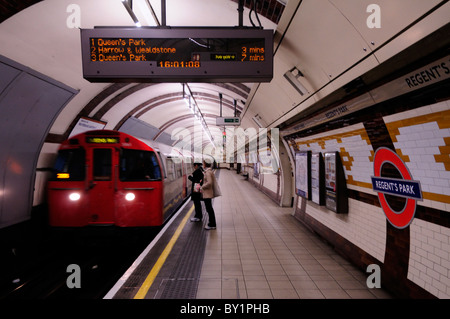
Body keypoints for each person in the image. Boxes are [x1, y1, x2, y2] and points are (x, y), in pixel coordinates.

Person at [200, 161, 218, 230]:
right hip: (208, 192)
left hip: (207, 193)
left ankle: (212, 224)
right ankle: (211, 223)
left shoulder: (207, 172)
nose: (202, 164)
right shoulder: (209, 171)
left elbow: (209, 183)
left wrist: (202, 187)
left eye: (203, 163)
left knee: (209, 209)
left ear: (205, 164)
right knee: (209, 209)